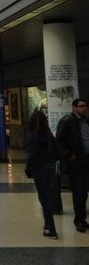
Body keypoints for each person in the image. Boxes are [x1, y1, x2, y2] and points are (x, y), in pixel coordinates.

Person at [27, 109, 61, 239]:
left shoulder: (32, 135)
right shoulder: (48, 134)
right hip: (50, 167)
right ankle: (47, 224)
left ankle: (51, 229)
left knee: (44, 198)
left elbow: (31, 154)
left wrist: (29, 168)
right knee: (46, 195)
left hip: (39, 169)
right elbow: (57, 151)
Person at [56, 97, 89, 233]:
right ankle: (78, 220)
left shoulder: (86, 122)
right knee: (78, 192)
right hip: (75, 163)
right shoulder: (67, 121)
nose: (84, 108)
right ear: (74, 108)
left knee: (84, 192)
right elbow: (59, 141)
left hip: (86, 161)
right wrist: (68, 155)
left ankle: (82, 218)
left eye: (85, 106)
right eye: (81, 106)